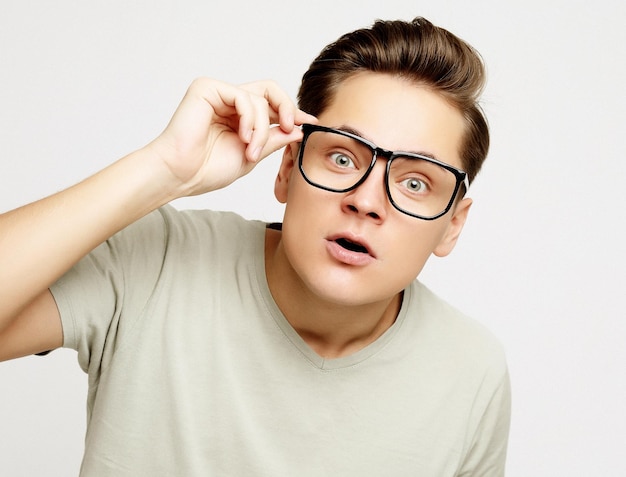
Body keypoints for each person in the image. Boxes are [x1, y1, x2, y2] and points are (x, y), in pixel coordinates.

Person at [0, 16, 511, 476]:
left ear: (452, 225)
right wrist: (162, 171)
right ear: (287, 168)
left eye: (415, 182)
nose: (366, 200)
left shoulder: (471, 372)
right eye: (342, 158)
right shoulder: (156, 258)